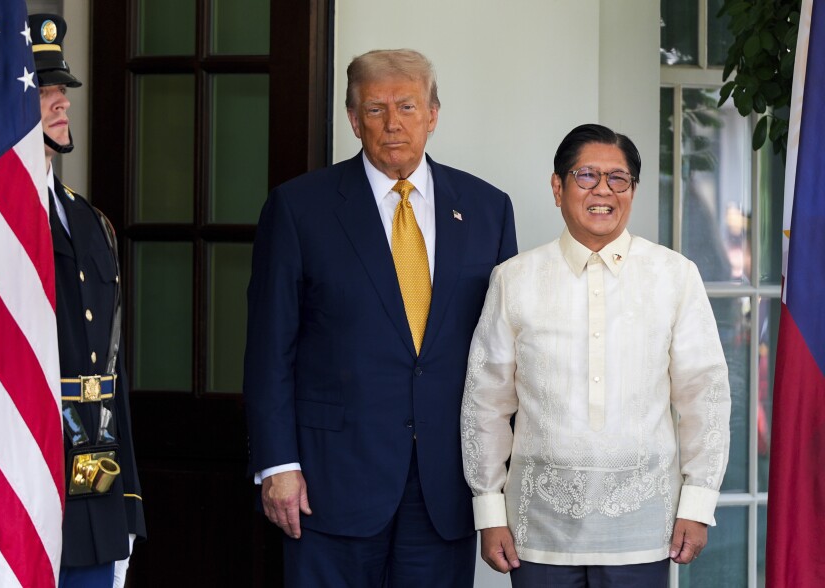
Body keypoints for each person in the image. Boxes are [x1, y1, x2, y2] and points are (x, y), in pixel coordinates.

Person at [244, 49, 518, 587]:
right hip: (329, 482)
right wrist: (277, 465)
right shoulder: (299, 209)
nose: (393, 123)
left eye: (408, 107)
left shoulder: (488, 208)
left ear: (434, 115)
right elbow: (269, 347)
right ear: (352, 118)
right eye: (375, 109)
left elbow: (503, 357)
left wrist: (501, 484)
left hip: (446, 484)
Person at [460, 123, 731, 587]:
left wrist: (699, 502)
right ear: (557, 186)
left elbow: (704, 396)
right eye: (586, 176)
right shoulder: (515, 279)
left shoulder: (674, 276)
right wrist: (488, 509)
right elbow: (485, 401)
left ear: (633, 190)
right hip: (537, 528)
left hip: (646, 526)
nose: (603, 190)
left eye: (618, 178)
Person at [30, 13, 146, 588]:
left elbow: (111, 369)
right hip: (18, 467)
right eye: (42, 91)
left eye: (61, 91)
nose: (61, 104)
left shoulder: (89, 221)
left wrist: (127, 501)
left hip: (92, 479)